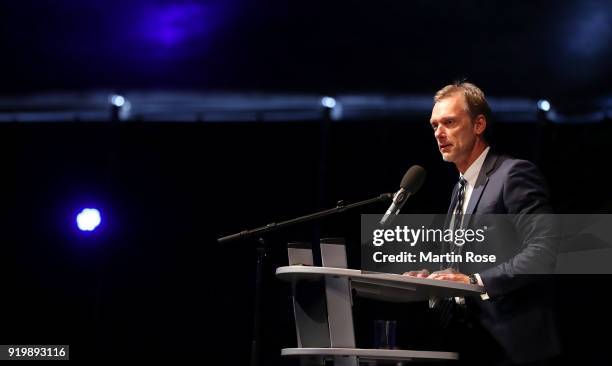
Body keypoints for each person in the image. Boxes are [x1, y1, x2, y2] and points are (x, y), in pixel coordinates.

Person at [404, 82, 561, 365]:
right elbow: (463, 267)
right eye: (434, 125)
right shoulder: (460, 188)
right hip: (472, 341)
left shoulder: (513, 175)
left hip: (515, 345)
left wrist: (476, 282)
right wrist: (434, 278)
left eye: (449, 122)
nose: (439, 133)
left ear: (478, 124)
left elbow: (545, 251)